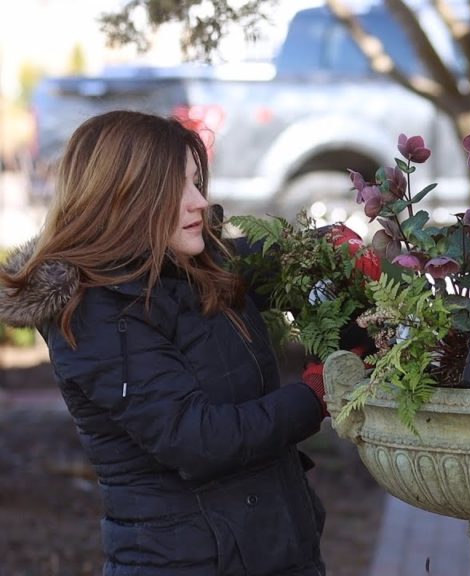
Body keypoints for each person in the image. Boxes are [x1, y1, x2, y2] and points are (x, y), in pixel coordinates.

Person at [0, 110, 332, 575]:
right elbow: (198, 440)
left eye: (196, 182)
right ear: (124, 198)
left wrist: (332, 249)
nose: (199, 202)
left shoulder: (188, 266)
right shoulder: (96, 314)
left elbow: (271, 262)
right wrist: (316, 395)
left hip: (270, 550)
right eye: (178, 188)